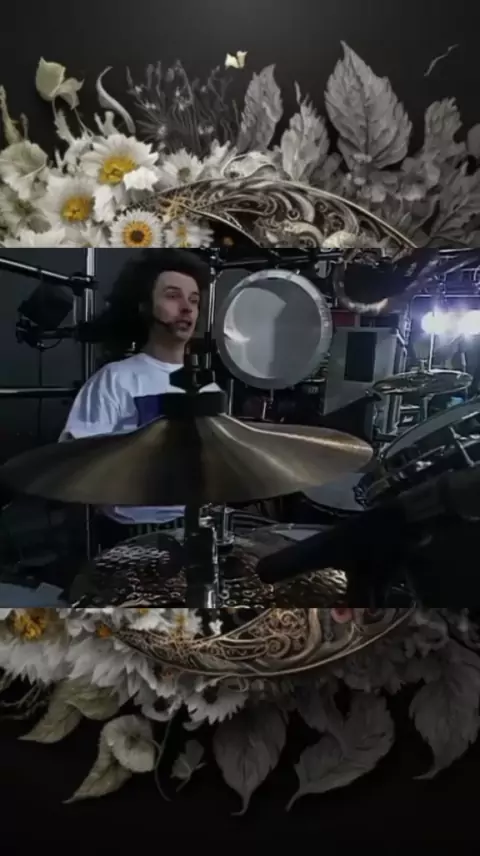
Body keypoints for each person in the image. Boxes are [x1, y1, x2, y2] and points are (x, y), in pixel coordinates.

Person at [59, 249, 217, 547]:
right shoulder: (115, 378)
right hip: (131, 532)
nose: (187, 308)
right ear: (144, 306)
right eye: (173, 296)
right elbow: (75, 461)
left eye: (194, 300)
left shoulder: (207, 386)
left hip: (196, 523)